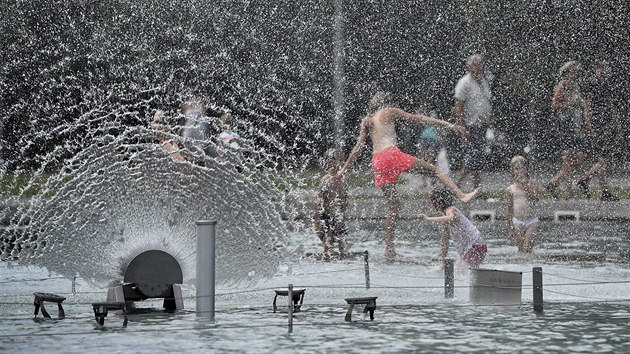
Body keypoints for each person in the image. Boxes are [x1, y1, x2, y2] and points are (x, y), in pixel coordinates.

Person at [338, 91, 478, 260]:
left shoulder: (367, 121)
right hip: (391, 155)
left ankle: (388, 249)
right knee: (435, 171)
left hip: (377, 162)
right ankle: (462, 195)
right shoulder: (389, 111)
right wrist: (448, 125)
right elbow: (420, 119)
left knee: (393, 205)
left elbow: (357, 149)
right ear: (386, 103)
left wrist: (342, 170)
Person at [576, 60, 623, 201]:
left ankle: (604, 191)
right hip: (599, 123)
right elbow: (586, 104)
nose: (605, 70)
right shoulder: (592, 82)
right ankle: (585, 179)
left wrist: (617, 123)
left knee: (603, 156)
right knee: (606, 156)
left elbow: (610, 105)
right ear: (596, 68)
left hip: (606, 122)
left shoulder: (605, 83)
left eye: (606, 67)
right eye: (602, 67)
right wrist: (588, 124)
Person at [546, 61, 591, 199]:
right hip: (565, 126)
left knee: (578, 159)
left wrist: (585, 123)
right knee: (568, 159)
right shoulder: (563, 85)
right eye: (575, 72)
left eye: (578, 72)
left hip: (575, 126)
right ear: (568, 73)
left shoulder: (576, 86)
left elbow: (581, 106)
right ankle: (568, 191)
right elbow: (554, 105)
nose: (577, 74)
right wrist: (570, 103)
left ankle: (554, 182)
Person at [453, 54, 493, 193]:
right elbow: (458, 105)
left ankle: (476, 189)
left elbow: (486, 102)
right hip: (470, 125)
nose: (478, 67)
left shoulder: (483, 81)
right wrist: (462, 125)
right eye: (475, 64)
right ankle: (455, 185)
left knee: (476, 157)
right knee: (472, 157)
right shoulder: (465, 82)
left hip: (482, 125)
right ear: (469, 66)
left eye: (480, 64)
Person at [419, 188, 487, 269]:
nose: (429, 203)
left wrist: (428, 219)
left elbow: (450, 217)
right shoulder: (445, 218)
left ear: (437, 202)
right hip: (475, 247)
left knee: (458, 271)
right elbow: (444, 241)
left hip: (475, 246)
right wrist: (443, 262)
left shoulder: (451, 210)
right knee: (468, 272)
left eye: (430, 201)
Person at [313, 148, 349, 257]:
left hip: (338, 216)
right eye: (340, 161)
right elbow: (318, 200)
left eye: (343, 161)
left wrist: (344, 210)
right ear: (330, 163)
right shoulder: (326, 179)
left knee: (342, 240)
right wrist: (318, 218)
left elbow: (345, 198)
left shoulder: (342, 179)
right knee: (328, 241)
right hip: (327, 215)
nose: (343, 164)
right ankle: (328, 257)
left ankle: (344, 257)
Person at [505, 155, 540, 253]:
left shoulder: (533, 184)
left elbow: (535, 200)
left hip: (532, 221)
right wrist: (509, 227)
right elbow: (509, 209)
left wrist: (525, 186)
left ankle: (529, 264)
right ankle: (521, 266)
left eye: (521, 168)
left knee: (527, 248)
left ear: (526, 170)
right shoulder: (510, 189)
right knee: (520, 249)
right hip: (517, 221)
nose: (519, 171)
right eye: (516, 169)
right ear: (513, 171)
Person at [415, 102, 444, 188]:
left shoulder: (433, 114)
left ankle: (431, 179)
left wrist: (440, 137)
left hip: (433, 138)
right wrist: (420, 116)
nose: (424, 108)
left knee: (430, 160)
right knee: (421, 160)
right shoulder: (420, 115)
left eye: (425, 106)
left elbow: (437, 126)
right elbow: (417, 126)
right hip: (423, 138)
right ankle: (423, 181)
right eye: (422, 107)